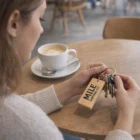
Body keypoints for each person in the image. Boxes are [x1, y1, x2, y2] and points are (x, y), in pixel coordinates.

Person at [0, 0, 139, 140]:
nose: (42, 29)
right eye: (40, 18)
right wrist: (126, 116)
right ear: (14, 23)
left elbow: (18, 105)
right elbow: (21, 115)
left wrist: (71, 87)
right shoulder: (35, 129)